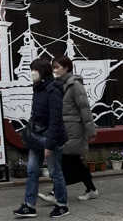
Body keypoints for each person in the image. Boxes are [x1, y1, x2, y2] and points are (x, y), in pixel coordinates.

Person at [14, 58, 69, 218]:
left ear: (42, 72)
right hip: (36, 137)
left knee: (55, 172)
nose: (32, 73)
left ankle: (62, 205)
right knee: (32, 171)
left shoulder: (53, 90)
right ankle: (29, 206)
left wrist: (49, 145)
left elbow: (55, 120)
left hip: (50, 138)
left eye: (35, 70)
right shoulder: (37, 88)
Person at [39, 57, 97, 205]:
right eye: (53, 67)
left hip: (73, 130)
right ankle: (91, 189)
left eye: (57, 67)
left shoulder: (74, 85)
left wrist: (91, 131)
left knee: (65, 161)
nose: (54, 70)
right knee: (74, 162)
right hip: (63, 130)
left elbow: (84, 108)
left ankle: (56, 193)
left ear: (66, 68)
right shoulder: (58, 85)